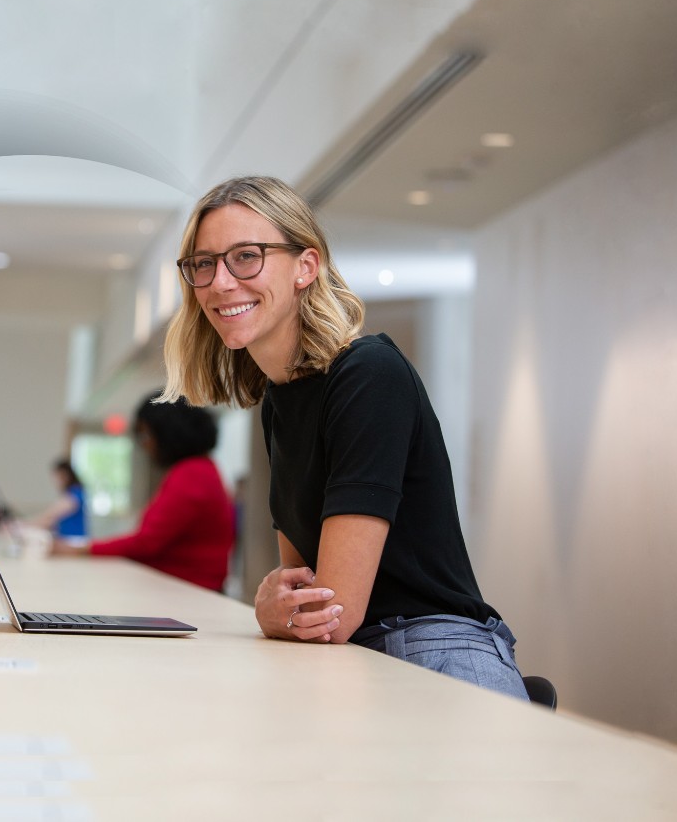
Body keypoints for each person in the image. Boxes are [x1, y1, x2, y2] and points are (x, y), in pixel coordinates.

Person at [159, 175, 528, 700]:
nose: (220, 282)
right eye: (204, 263)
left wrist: (271, 611)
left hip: (436, 657)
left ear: (305, 267)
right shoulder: (280, 400)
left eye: (246, 256)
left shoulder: (368, 373)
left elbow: (328, 612)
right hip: (357, 661)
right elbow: (302, 591)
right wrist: (280, 609)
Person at [52, 393, 235, 592]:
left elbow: (147, 543)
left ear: (167, 433)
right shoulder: (201, 469)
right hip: (187, 589)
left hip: (188, 593)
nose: (145, 444)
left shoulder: (192, 474)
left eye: (146, 435)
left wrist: (81, 550)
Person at [26, 458, 87, 540]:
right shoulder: (71, 493)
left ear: (64, 476)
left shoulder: (75, 494)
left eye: (56, 477)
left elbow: (50, 516)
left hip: (74, 541)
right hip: (68, 540)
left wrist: (24, 525)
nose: (55, 482)